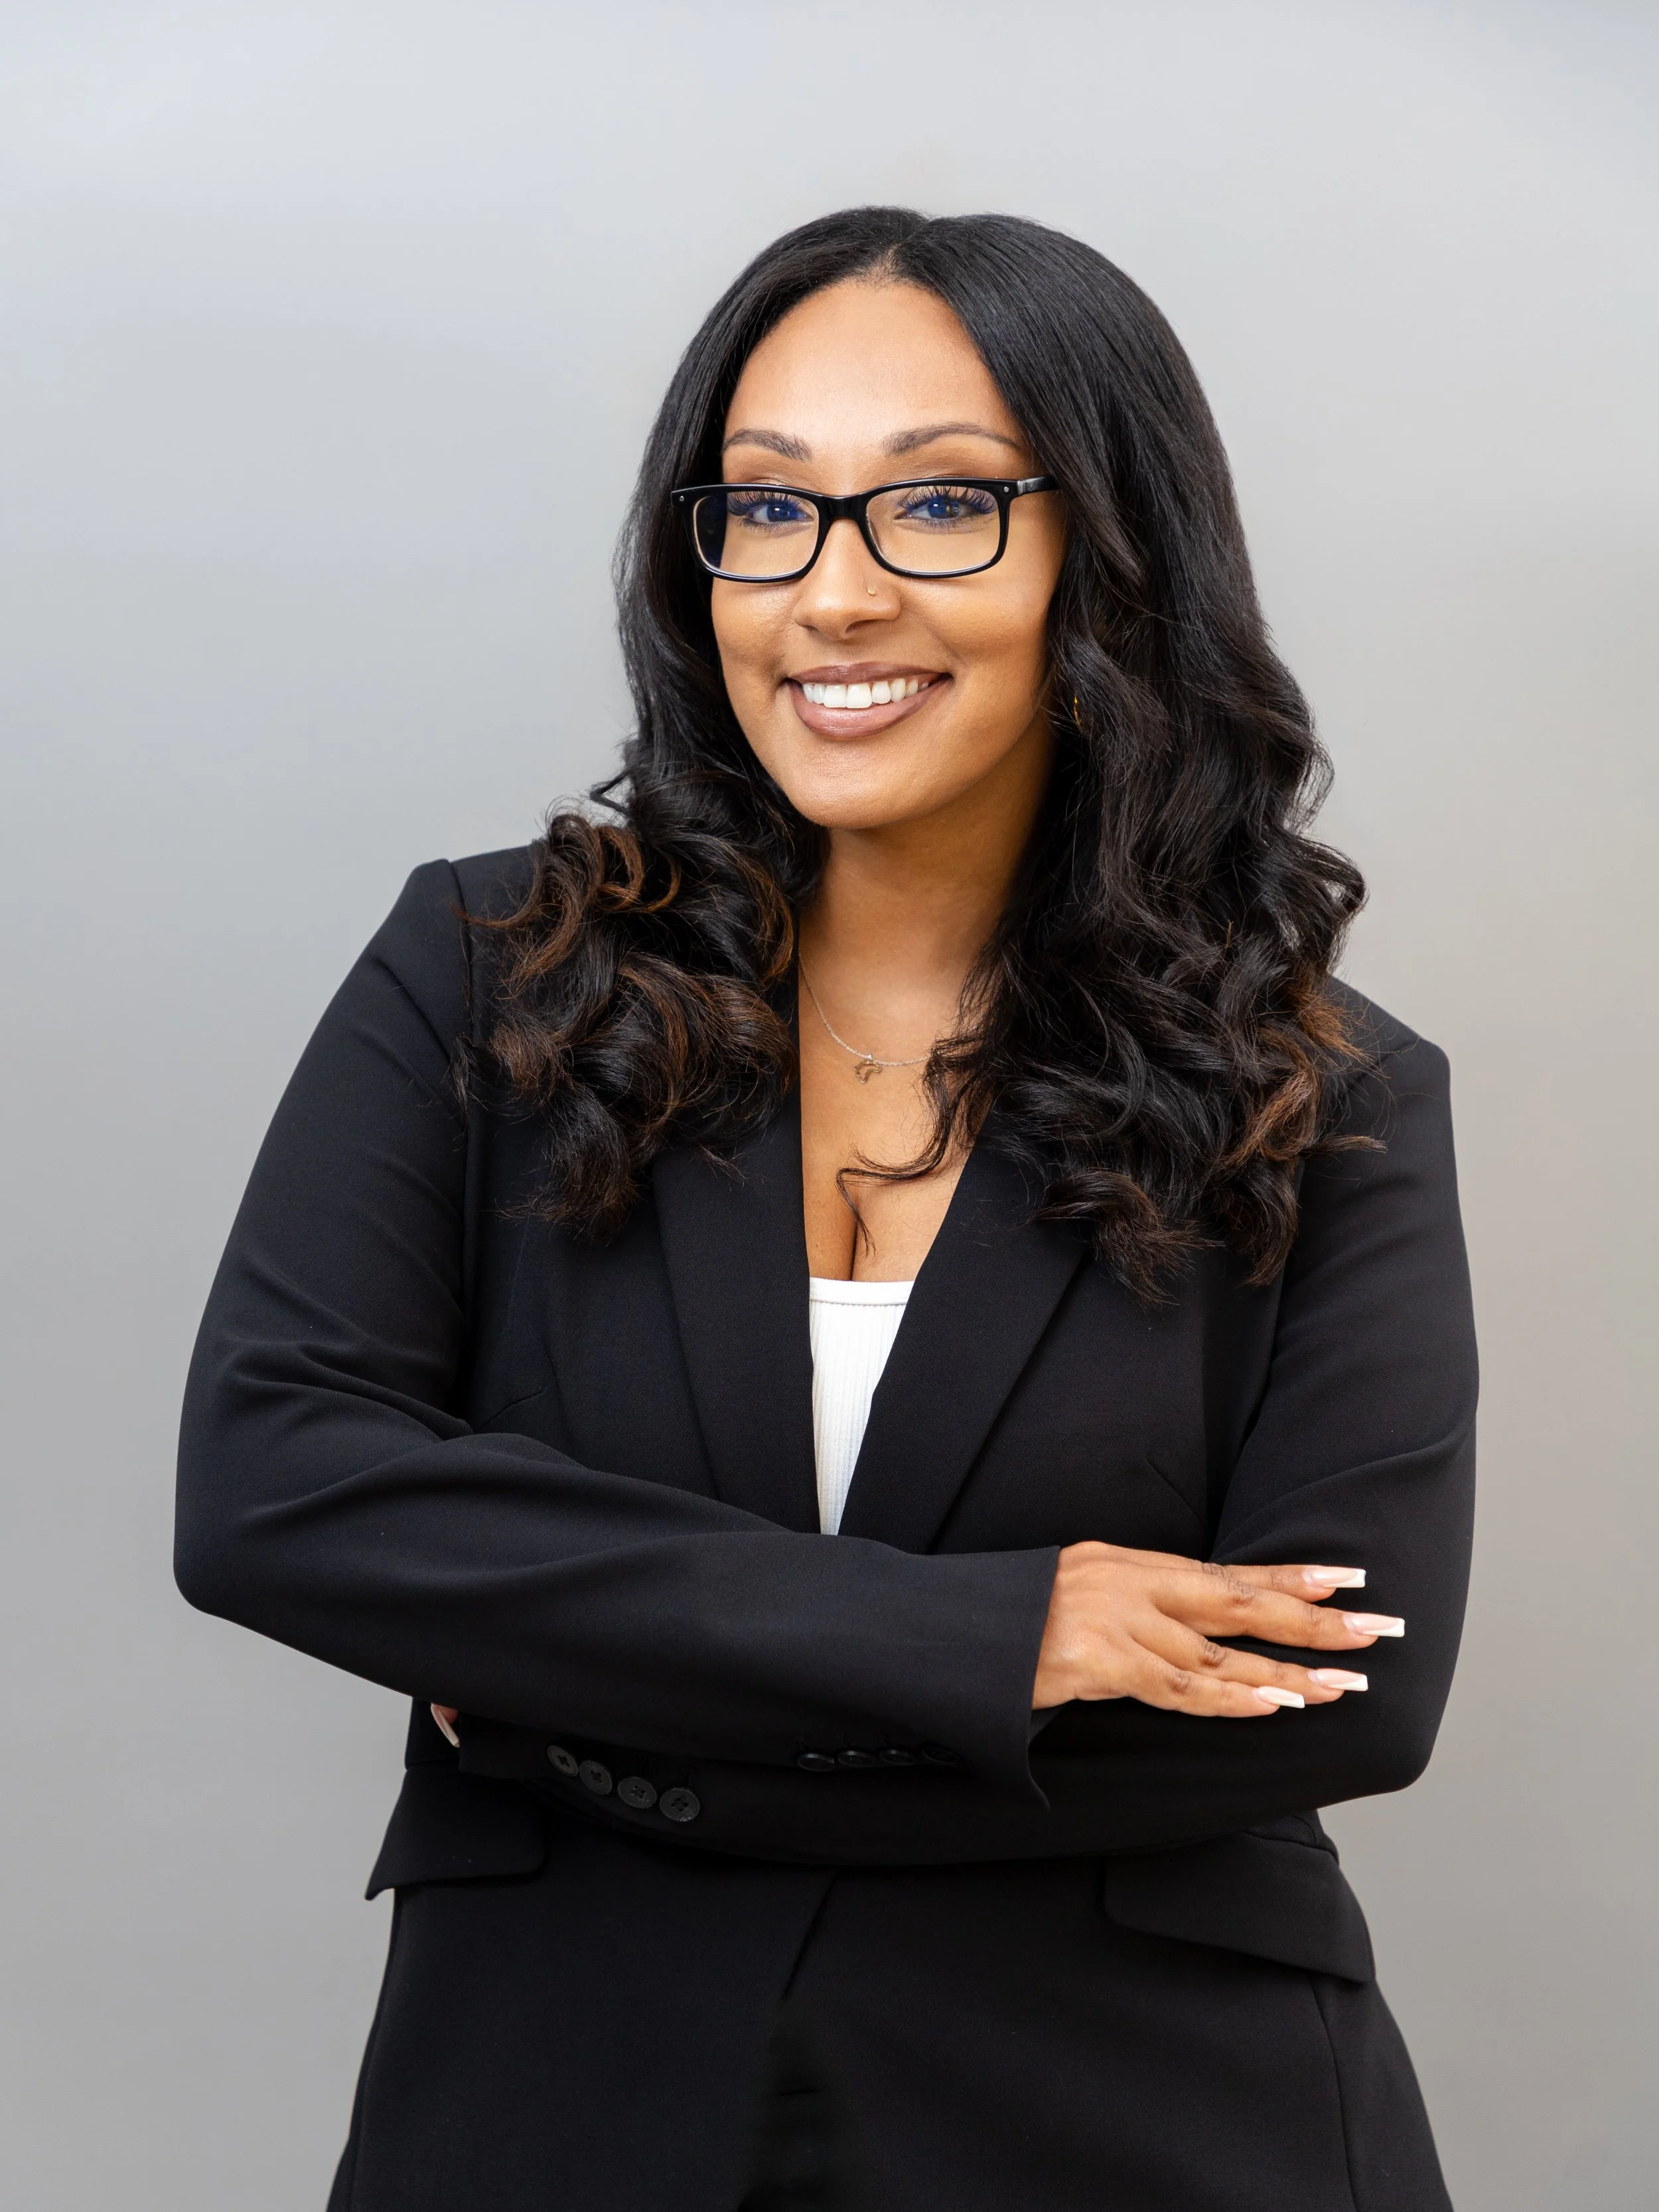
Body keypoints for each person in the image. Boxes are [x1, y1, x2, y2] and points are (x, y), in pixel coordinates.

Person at [175, 206, 1477, 2212]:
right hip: (557, 2098)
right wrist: (992, 1634)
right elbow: (276, 1487)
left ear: (1107, 559)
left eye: (940, 505)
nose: (831, 594)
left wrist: (568, 1689)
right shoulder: (485, 971)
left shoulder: (1329, 1091)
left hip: (1140, 2118)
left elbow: (1339, 1687)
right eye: (766, 513)